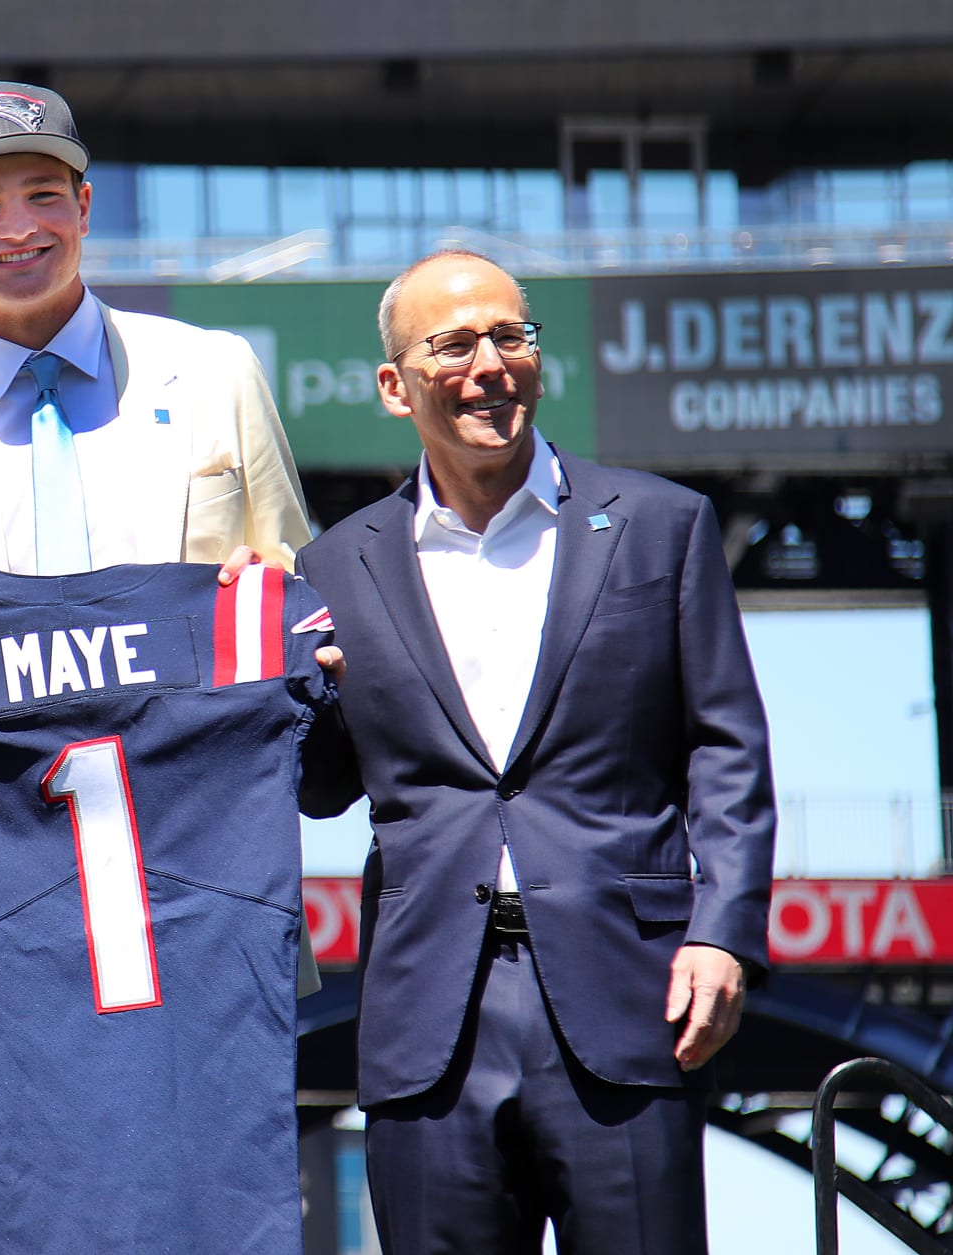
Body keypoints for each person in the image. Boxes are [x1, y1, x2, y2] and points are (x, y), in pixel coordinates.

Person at [296, 250, 776, 1254]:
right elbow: (322, 785)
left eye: (510, 336)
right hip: (431, 1022)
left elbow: (726, 747)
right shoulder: (334, 564)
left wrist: (723, 930)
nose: (489, 365)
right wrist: (296, 690)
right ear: (396, 385)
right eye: (455, 344)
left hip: (631, 997)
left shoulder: (659, 526)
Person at [0, 78, 312, 589]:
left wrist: (275, 590)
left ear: (82, 208)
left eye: (43, 195)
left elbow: (300, 591)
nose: (18, 229)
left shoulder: (216, 372)